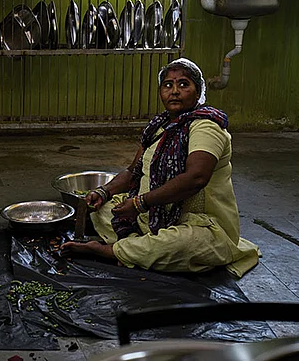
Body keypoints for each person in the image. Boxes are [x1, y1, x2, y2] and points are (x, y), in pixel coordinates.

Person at [60, 58, 260, 278]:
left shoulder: (206, 126)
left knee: (185, 243)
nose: (174, 91)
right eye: (168, 85)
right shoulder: (160, 127)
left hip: (202, 226)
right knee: (104, 208)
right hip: (155, 215)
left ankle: (111, 250)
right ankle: (138, 249)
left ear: (198, 92)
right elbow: (132, 171)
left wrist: (139, 203)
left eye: (184, 84)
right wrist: (103, 191)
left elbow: (196, 178)